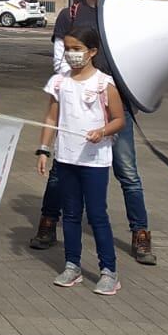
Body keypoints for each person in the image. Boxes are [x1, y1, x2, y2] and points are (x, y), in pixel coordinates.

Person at [27, 0, 157, 266]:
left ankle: (140, 233)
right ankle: (48, 223)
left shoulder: (124, 12)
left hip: (115, 107)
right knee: (62, 170)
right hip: (75, 108)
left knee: (128, 173)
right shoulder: (70, 13)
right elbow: (60, 62)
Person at [35, 26, 124, 296]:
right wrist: (43, 149)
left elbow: (119, 119)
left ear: (92, 52)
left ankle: (109, 270)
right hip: (66, 158)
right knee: (70, 214)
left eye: (77, 49)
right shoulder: (59, 82)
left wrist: (103, 132)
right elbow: (51, 118)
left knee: (97, 214)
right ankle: (72, 265)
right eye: (68, 49)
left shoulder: (103, 83)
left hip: (95, 160)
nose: (72, 54)